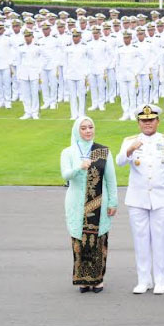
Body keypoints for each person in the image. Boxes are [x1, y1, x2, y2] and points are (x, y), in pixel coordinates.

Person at [116, 104, 164, 295]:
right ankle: (143, 280)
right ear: (138, 122)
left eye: (151, 120)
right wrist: (129, 150)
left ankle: (160, 280)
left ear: (157, 121)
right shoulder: (130, 141)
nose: (147, 124)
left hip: (162, 197)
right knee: (141, 240)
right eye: (144, 121)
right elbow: (119, 162)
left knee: (161, 239)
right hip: (137, 198)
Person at [60, 116, 118, 293]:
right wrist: (79, 167)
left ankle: (97, 279)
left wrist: (113, 201)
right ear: (77, 130)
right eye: (83, 128)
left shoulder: (102, 151)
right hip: (76, 202)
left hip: (99, 201)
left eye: (90, 127)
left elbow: (111, 179)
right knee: (79, 239)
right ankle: (83, 279)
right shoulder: (68, 152)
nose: (87, 131)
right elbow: (65, 175)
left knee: (99, 241)